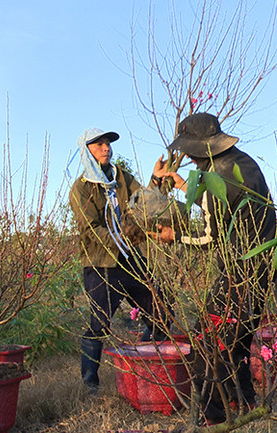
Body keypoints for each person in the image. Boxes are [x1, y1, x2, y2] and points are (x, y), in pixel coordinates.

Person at [152, 113, 277, 424]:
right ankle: (245, 404)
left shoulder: (215, 176)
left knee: (205, 347)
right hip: (259, 269)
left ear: (197, 148)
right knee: (237, 343)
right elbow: (224, 203)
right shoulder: (240, 162)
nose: (189, 158)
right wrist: (185, 186)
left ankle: (213, 418)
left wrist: (174, 236)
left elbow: (209, 236)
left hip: (237, 274)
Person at [69, 127, 171, 394]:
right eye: (99, 145)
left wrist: (157, 180)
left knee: (160, 313)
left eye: (108, 144)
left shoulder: (122, 178)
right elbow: (90, 228)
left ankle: (145, 362)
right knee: (99, 323)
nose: (106, 148)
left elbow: (144, 203)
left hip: (131, 259)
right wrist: (122, 237)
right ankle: (90, 381)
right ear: (87, 151)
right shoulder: (81, 189)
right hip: (101, 264)